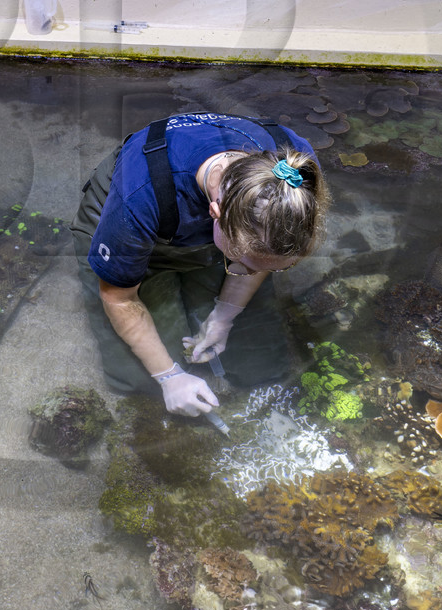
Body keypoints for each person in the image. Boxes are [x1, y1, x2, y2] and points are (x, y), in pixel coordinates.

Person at [70, 112, 329, 416]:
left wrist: (224, 315)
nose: (250, 273)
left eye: (276, 267)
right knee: (139, 379)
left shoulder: (298, 175)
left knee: (260, 364)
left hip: (216, 236)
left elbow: (259, 257)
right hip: (134, 219)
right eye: (244, 264)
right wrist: (168, 377)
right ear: (214, 214)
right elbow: (119, 297)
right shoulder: (138, 197)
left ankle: (227, 275)